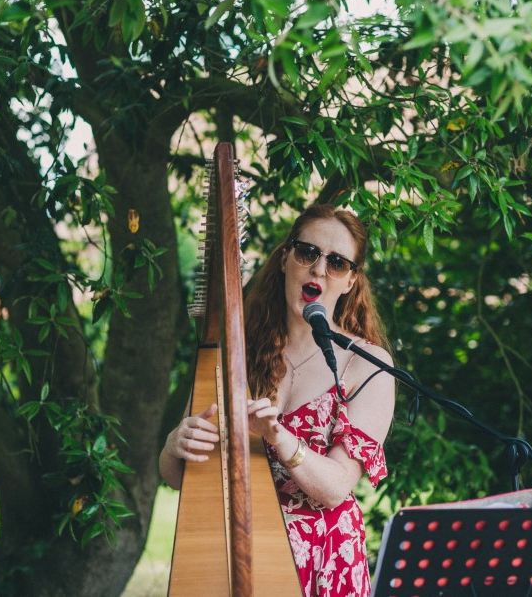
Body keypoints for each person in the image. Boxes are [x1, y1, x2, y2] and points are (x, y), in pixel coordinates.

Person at [159, 204, 395, 597]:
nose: (319, 269)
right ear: (286, 259)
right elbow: (176, 475)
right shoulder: (237, 355)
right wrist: (172, 447)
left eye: (336, 262)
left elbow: (337, 487)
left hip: (324, 562)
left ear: (351, 280)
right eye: (308, 253)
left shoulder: (367, 365)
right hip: (240, 556)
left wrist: (279, 438)